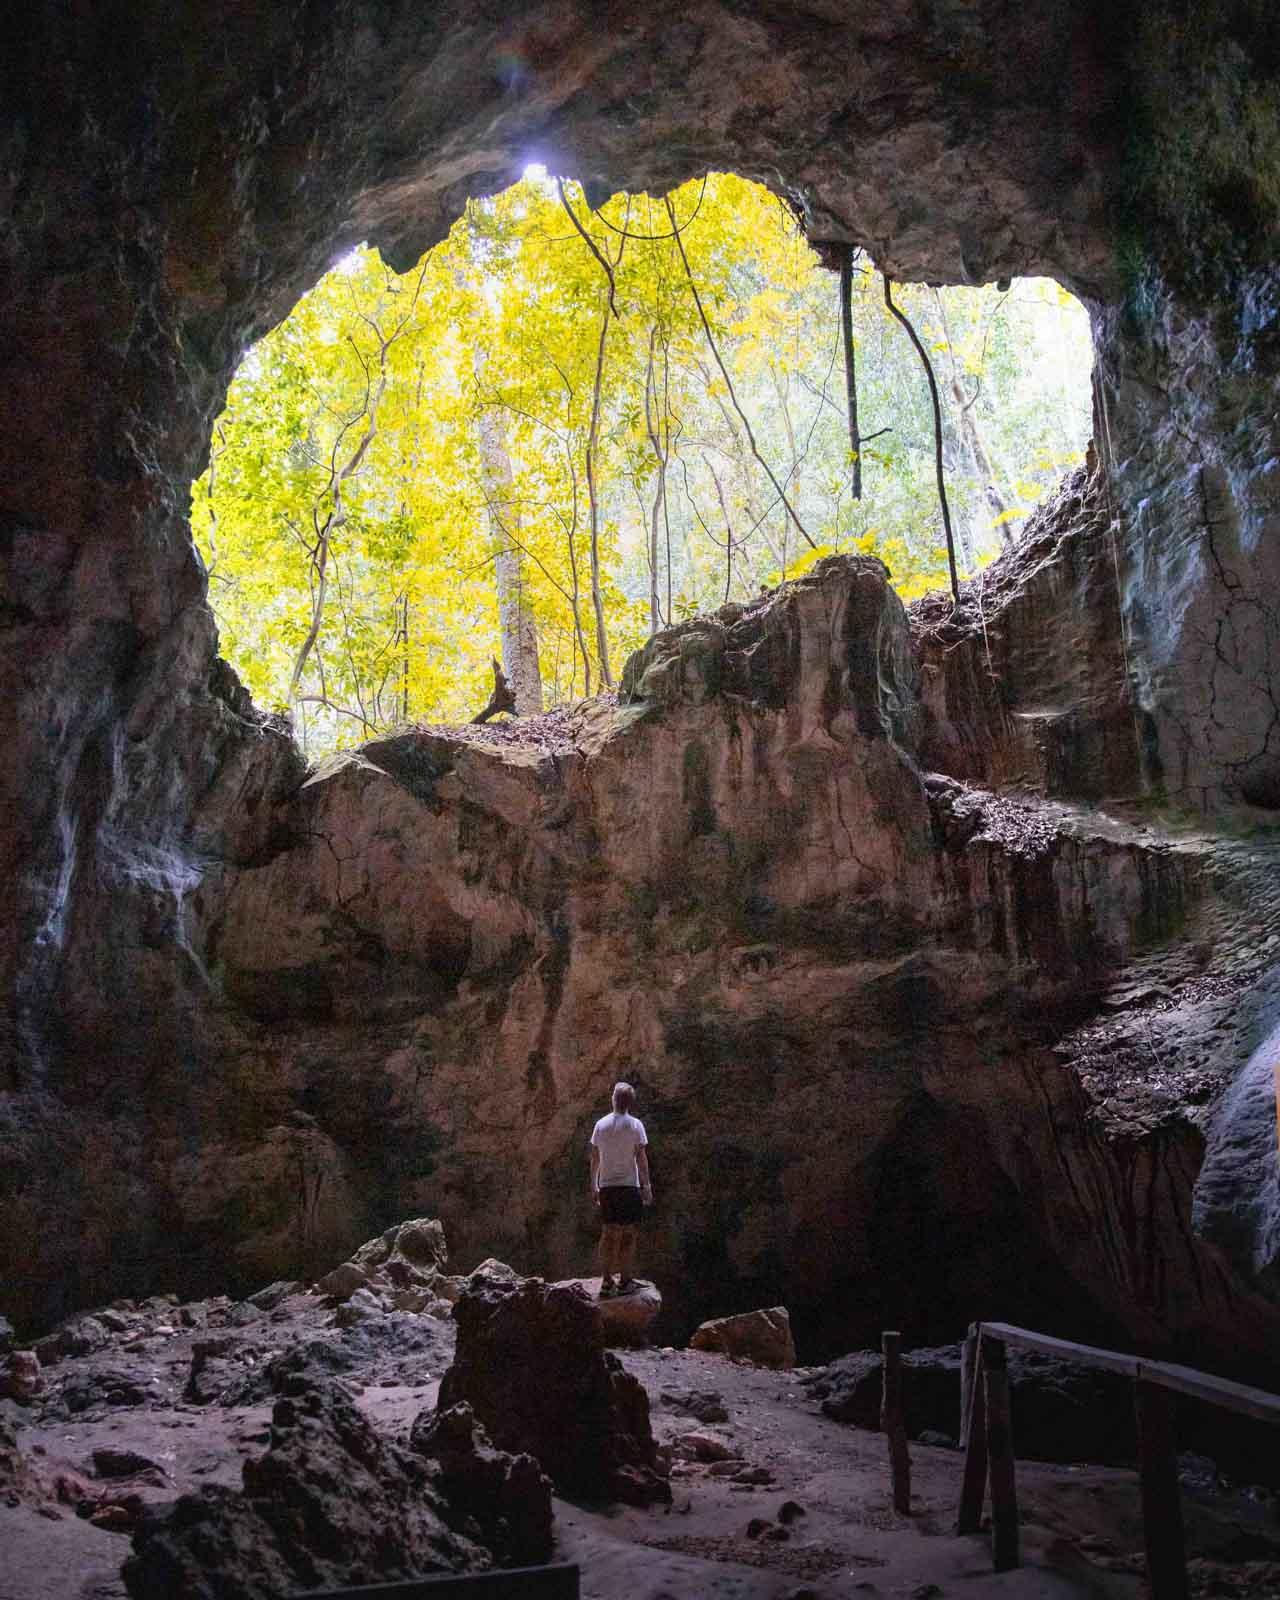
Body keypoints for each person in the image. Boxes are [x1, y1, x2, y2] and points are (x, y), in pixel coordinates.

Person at [589, 1080, 652, 1298]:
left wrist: (593, 1184)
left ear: (613, 1099)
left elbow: (595, 1157)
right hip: (629, 1187)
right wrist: (647, 1186)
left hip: (607, 1187)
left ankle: (606, 1281)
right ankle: (625, 1280)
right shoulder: (636, 1125)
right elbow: (641, 1158)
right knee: (627, 1234)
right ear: (630, 1102)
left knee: (608, 1233)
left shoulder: (601, 1125)